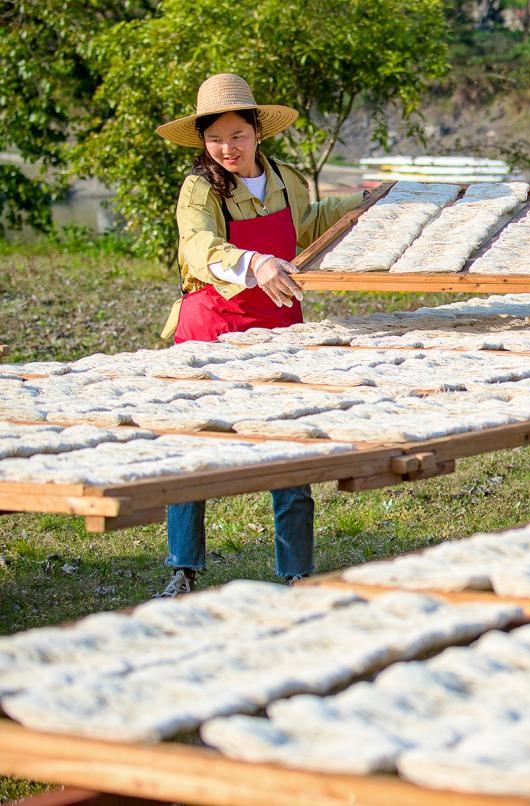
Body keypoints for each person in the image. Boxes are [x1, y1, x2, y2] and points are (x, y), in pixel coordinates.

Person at [154, 73, 364, 597]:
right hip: (212, 329)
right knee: (194, 448)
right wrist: (255, 262)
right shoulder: (199, 188)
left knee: (290, 449)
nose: (227, 148)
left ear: (257, 133)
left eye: (237, 135)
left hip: (277, 326)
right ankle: (184, 568)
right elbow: (199, 245)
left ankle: (297, 572)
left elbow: (307, 223)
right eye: (215, 138)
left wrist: (365, 201)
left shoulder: (287, 178)